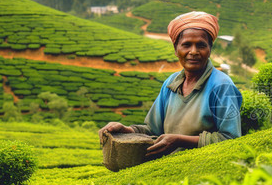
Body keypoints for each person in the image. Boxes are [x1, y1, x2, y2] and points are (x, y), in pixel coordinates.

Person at [98, 11, 242, 157]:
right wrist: (127, 130)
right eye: (186, 45)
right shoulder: (171, 83)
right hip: (168, 168)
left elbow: (230, 139)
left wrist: (179, 141)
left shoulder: (222, 86)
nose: (193, 51)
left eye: (201, 45)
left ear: (210, 49)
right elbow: (153, 130)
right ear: (175, 49)